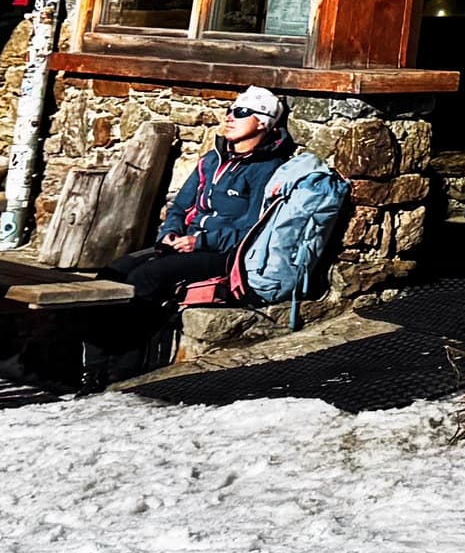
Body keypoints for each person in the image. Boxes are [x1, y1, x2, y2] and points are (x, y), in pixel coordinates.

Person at [84, 86, 304, 379]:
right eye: (229, 111)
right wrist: (171, 232)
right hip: (184, 244)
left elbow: (253, 226)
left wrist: (200, 240)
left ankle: (121, 372)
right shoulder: (211, 160)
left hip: (222, 253)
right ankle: (93, 371)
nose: (229, 118)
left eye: (240, 113)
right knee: (111, 274)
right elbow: (181, 206)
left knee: (145, 279)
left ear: (263, 122)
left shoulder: (267, 168)